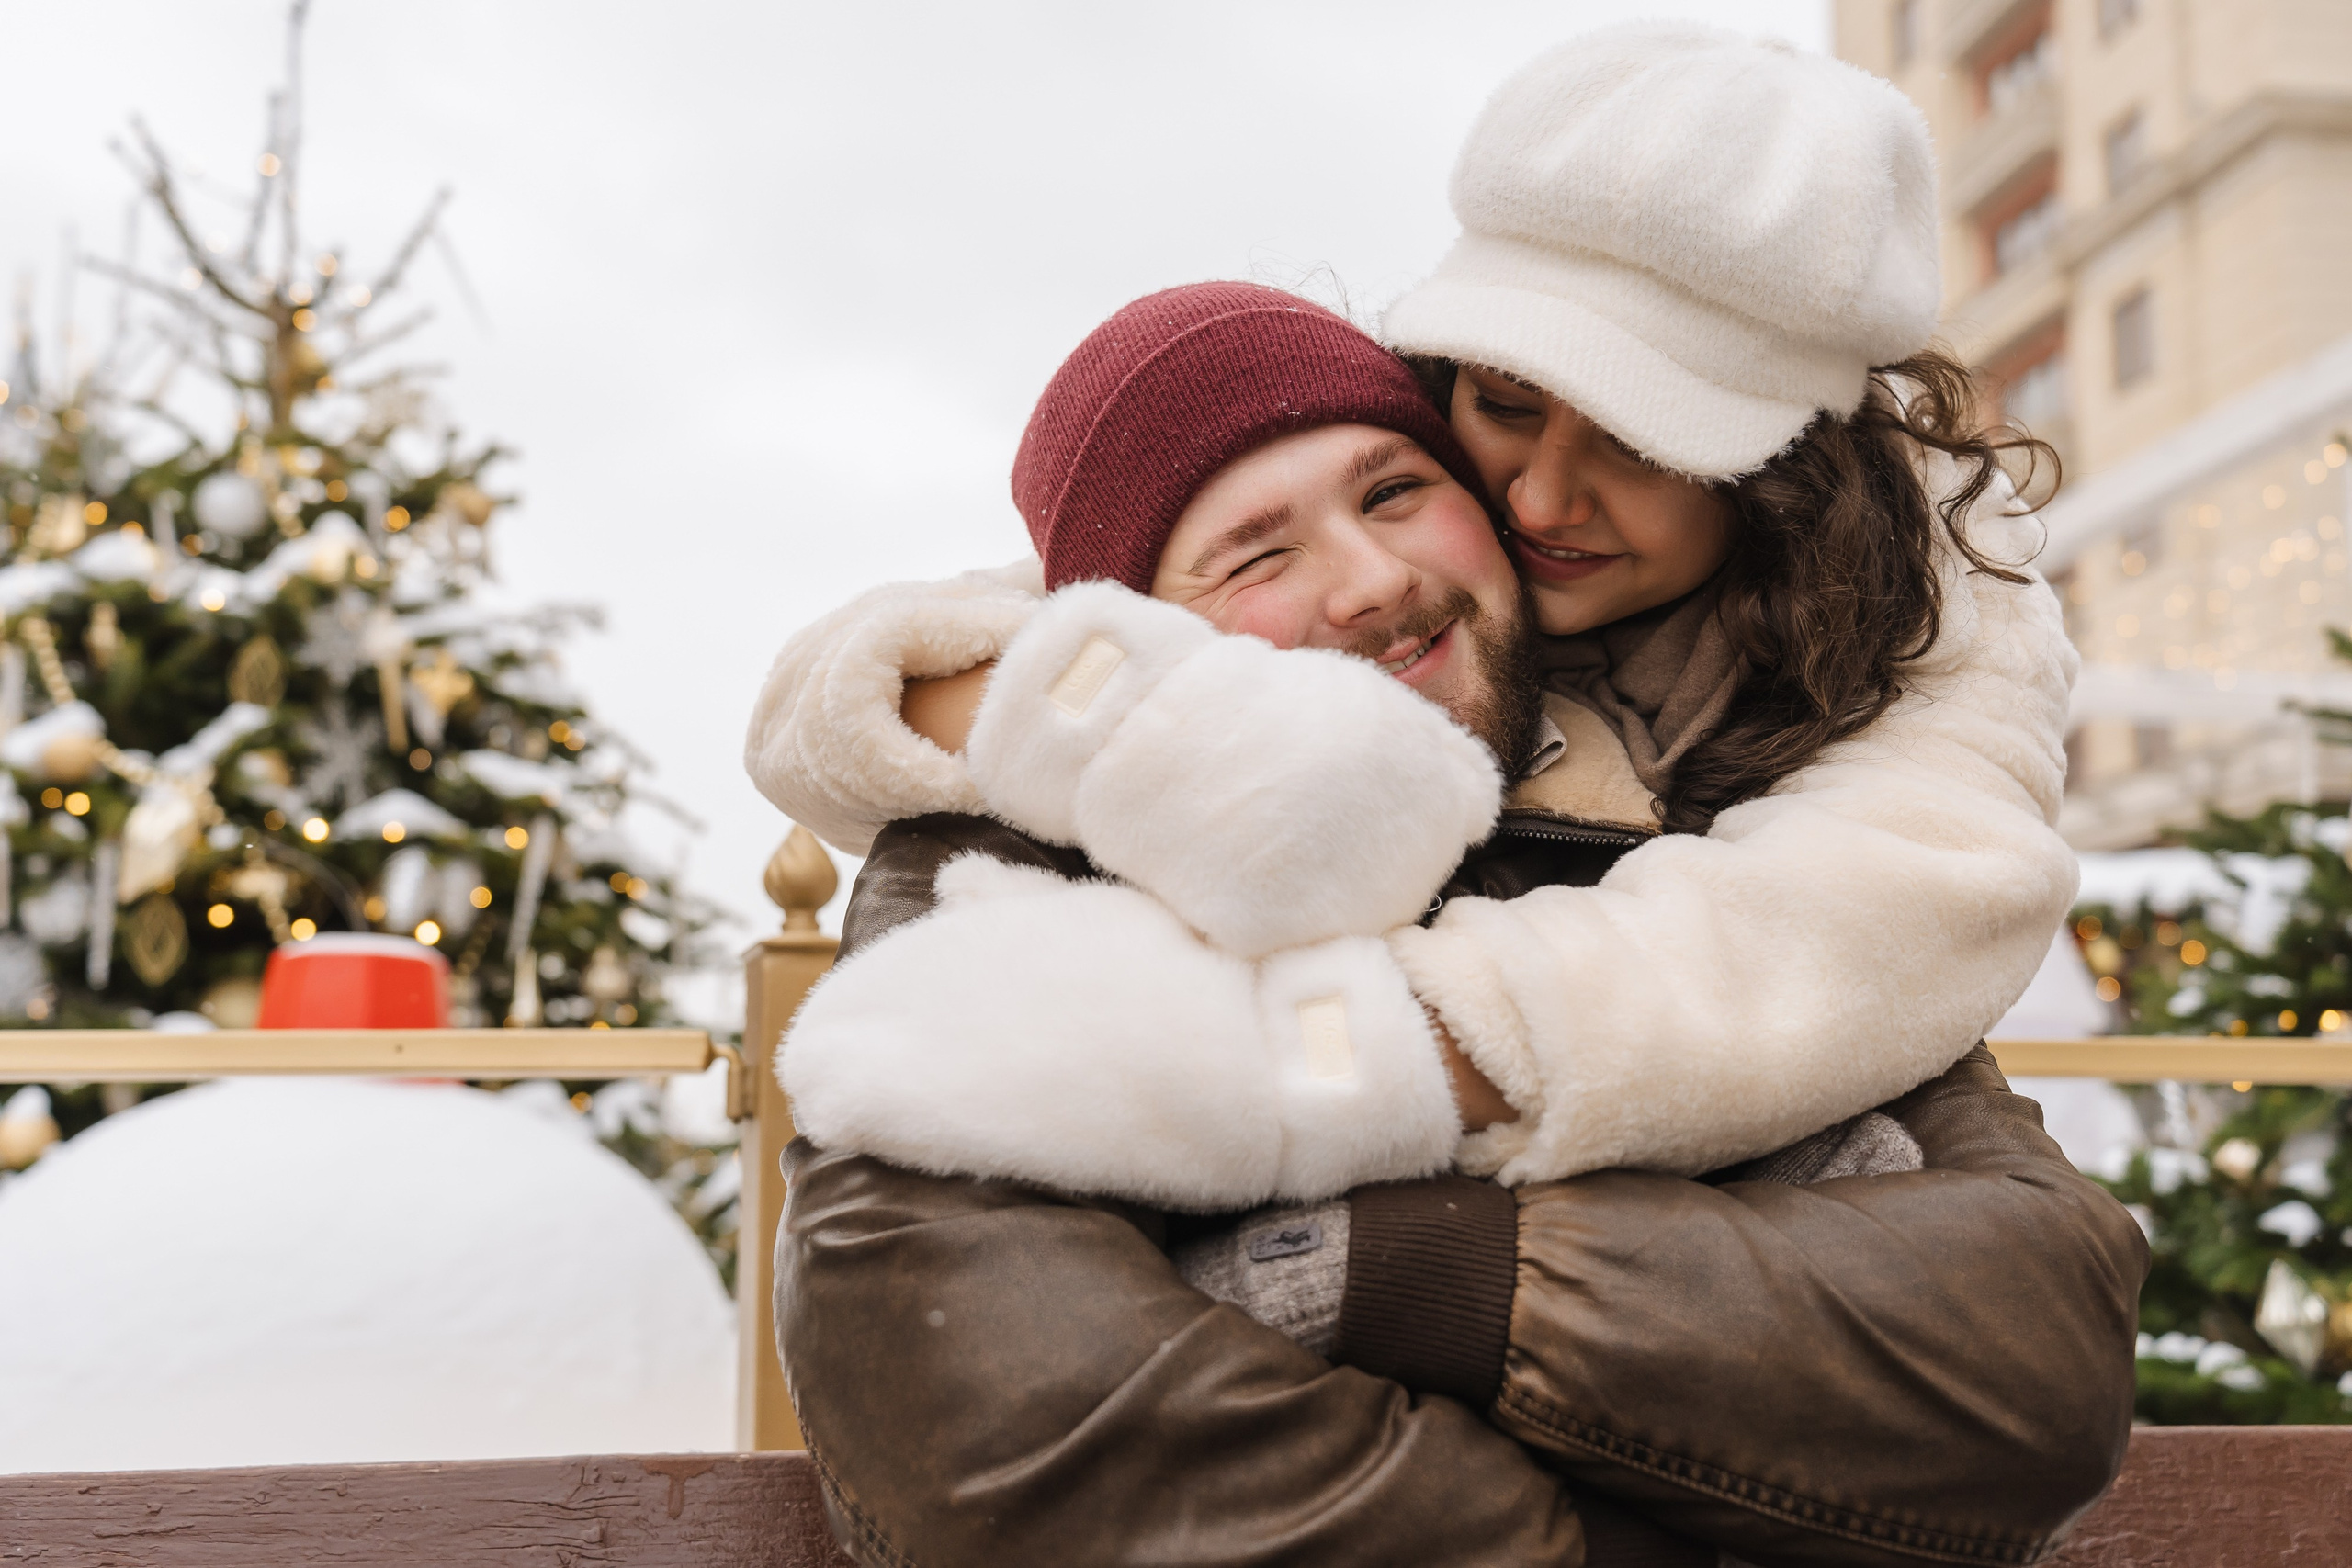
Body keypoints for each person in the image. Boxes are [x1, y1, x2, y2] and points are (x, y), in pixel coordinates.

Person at [752, 26, 2143, 1567]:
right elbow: (1011, 1431)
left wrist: (1384, 1267)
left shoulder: (1730, 787)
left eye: (1398, 492)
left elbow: (2020, 1354)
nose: (1531, 508)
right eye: (1258, 558)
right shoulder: (1025, 857)